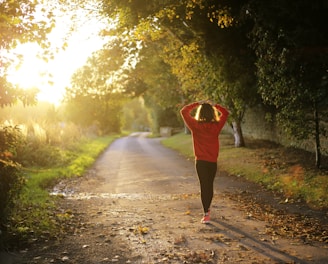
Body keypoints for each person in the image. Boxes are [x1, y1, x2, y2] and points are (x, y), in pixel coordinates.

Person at [180, 100, 229, 224]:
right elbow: (226, 113)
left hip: (200, 162)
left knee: (204, 186)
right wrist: (215, 105)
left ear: (199, 113)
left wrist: (197, 103)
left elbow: (184, 111)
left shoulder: (195, 125)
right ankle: (208, 211)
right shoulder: (216, 126)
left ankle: (206, 213)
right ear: (212, 113)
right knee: (210, 185)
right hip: (212, 161)